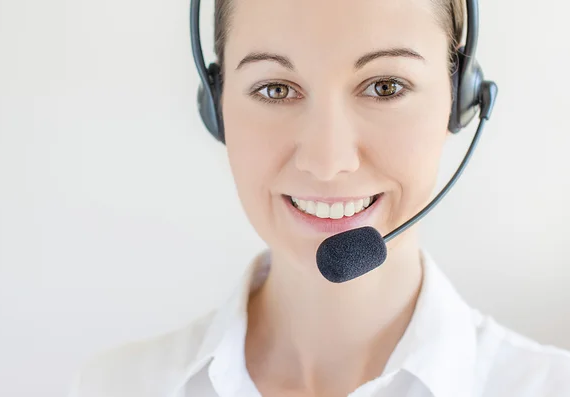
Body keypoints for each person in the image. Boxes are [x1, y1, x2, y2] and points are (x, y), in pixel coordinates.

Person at [69, 0, 570, 396]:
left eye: (385, 86)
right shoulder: (113, 387)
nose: (327, 161)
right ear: (216, 109)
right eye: (275, 90)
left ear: (461, 101)